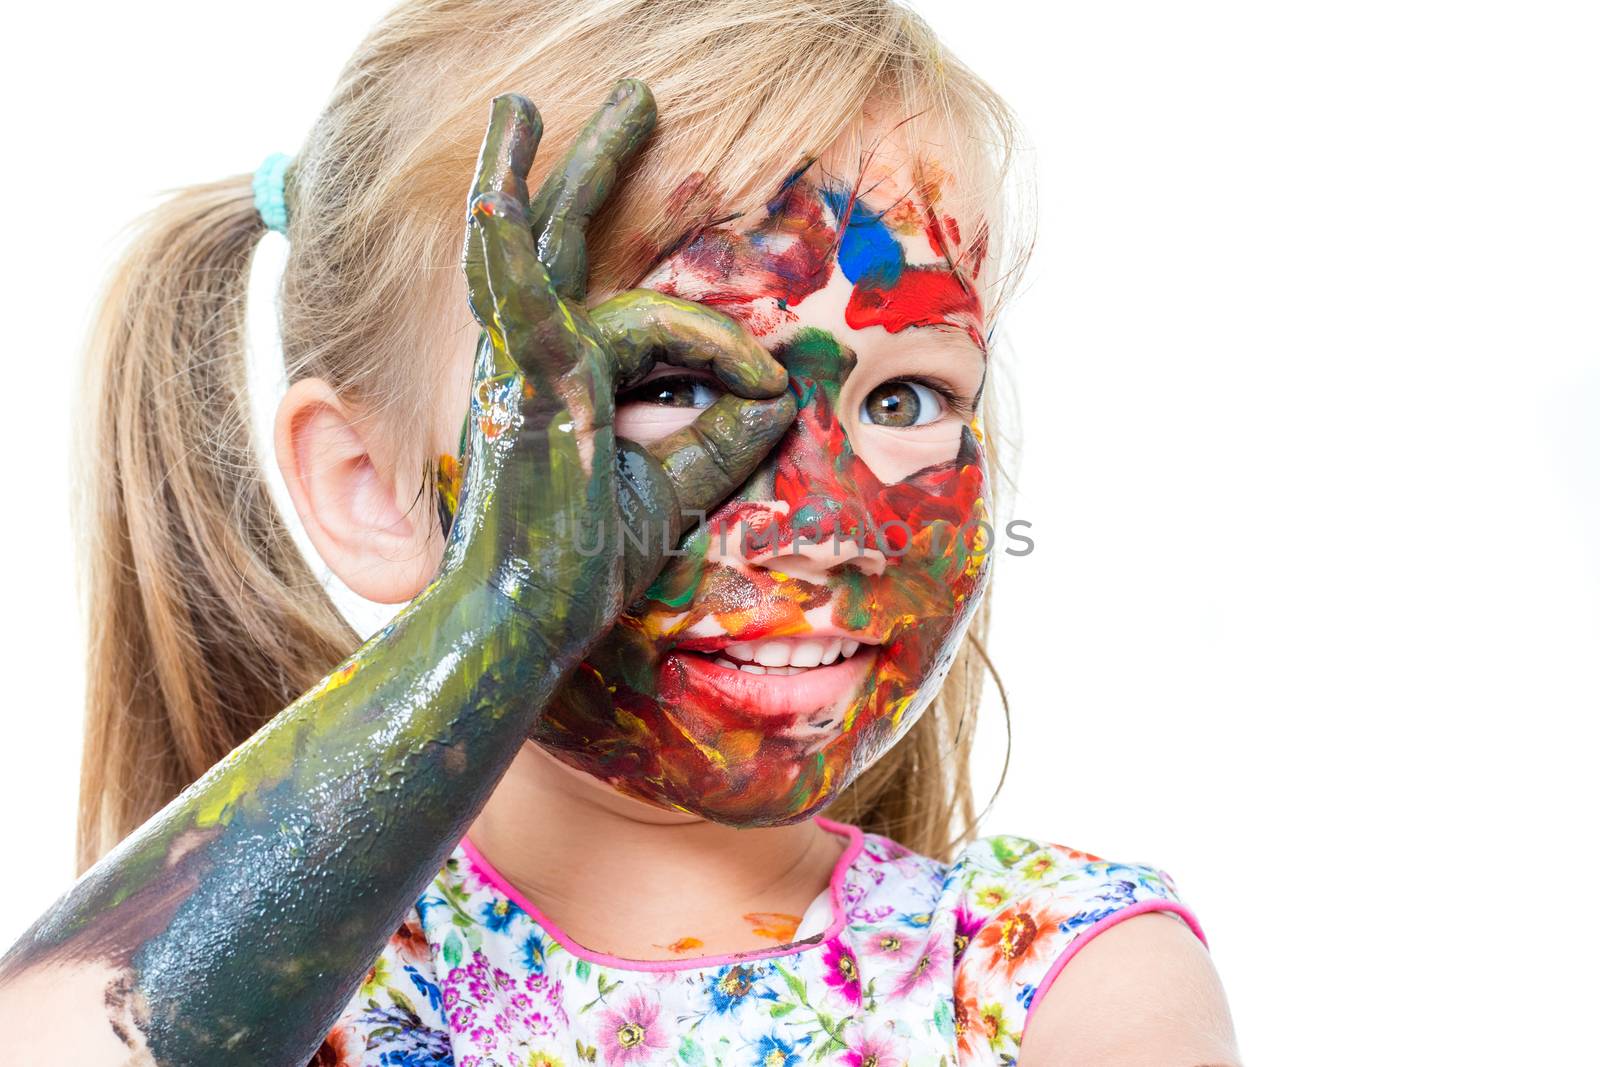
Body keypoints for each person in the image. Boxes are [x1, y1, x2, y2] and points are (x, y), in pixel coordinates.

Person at [0, 1, 1238, 1063]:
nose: (826, 526)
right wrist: (502, 617)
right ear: (372, 485)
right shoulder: (279, 1000)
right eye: (671, 383)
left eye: (905, 399)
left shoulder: (1052, 976)